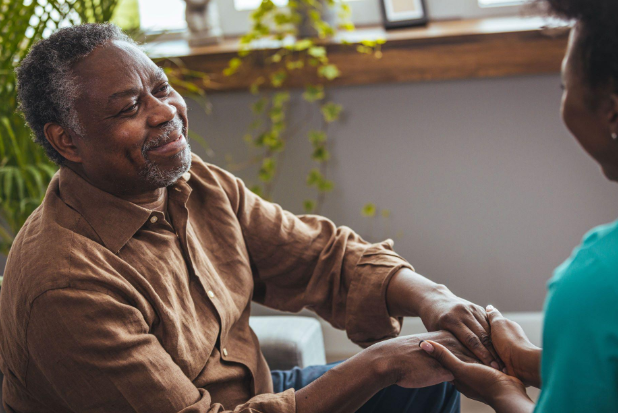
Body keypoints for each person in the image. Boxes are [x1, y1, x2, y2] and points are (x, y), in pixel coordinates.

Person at [0, 23, 502, 413]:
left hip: (256, 395)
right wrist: (381, 363)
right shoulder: (65, 283)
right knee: (397, 372)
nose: (164, 112)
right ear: (68, 140)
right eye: (131, 106)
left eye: (162, 88)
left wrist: (434, 299)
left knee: (428, 386)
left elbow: (320, 256)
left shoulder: (190, 183)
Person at [419, 1, 618, 412]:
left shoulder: (595, 285)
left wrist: (502, 394)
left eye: (565, 88)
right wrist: (527, 360)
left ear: (611, 111)